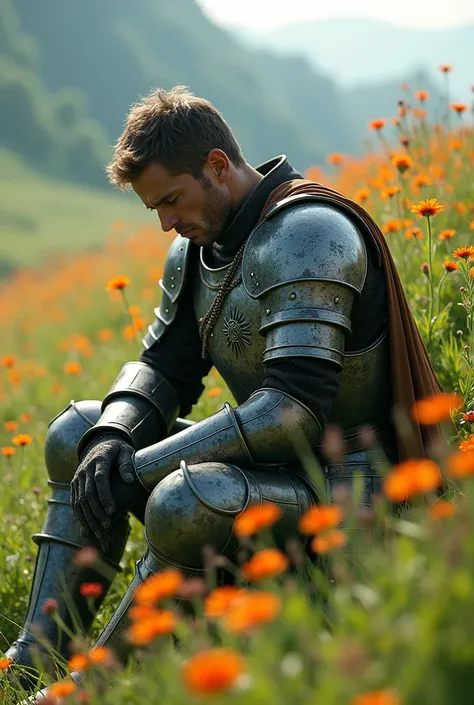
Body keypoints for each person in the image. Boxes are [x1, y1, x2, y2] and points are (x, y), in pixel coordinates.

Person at [4, 85, 442, 686]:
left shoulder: (309, 234)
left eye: (172, 200)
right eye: (154, 208)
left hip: (350, 489)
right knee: (77, 433)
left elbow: (292, 410)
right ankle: (33, 658)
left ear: (216, 166)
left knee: (186, 496)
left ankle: (92, 688)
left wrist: (144, 466)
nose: (165, 223)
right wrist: (112, 438)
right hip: (272, 470)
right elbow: (165, 365)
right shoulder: (197, 249)